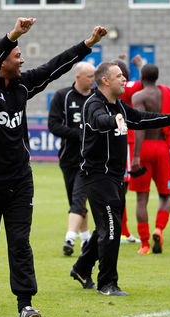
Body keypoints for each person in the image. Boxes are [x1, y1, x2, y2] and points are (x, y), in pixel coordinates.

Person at [0, 17, 107, 317]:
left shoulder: (21, 85)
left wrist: (87, 45)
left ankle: (25, 305)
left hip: (18, 181)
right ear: (0, 62)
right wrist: (12, 35)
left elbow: (55, 67)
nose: (23, 59)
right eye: (17, 55)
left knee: (19, 242)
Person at [70, 61, 170, 296]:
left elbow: (141, 118)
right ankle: (107, 283)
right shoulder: (94, 104)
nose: (125, 79)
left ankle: (82, 268)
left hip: (115, 177)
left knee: (107, 225)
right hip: (97, 176)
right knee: (112, 229)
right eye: (119, 76)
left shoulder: (120, 106)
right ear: (105, 80)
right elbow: (97, 121)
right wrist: (112, 121)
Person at [129, 64, 170, 255]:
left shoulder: (139, 97)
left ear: (141, 77)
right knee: (165, 195)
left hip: (144, 149)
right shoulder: (168, 93)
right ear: (157, 77)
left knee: (141, 198)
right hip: (162, 148)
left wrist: (135, 155)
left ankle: (144, 244)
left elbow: (140, 126)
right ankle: (158, 229)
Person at [48, 62, 95, 256]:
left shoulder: (96, 97)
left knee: (78, 199)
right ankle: (86, 240)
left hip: (89, 160)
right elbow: (53, 124)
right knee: (75, 202)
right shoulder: (62, 96)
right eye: (90, 76)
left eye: (94, 76)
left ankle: (69, 238)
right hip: (68, 157)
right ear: (78, 77)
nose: (94, 80)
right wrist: (78, 134)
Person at [112, 58, 142, 244]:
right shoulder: (128, 86)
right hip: (126, 142)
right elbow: (146, 82)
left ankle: (121, 230)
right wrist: (139, 65)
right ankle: (121, 231)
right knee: (121, 188)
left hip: (116, 139)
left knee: (120, 188)